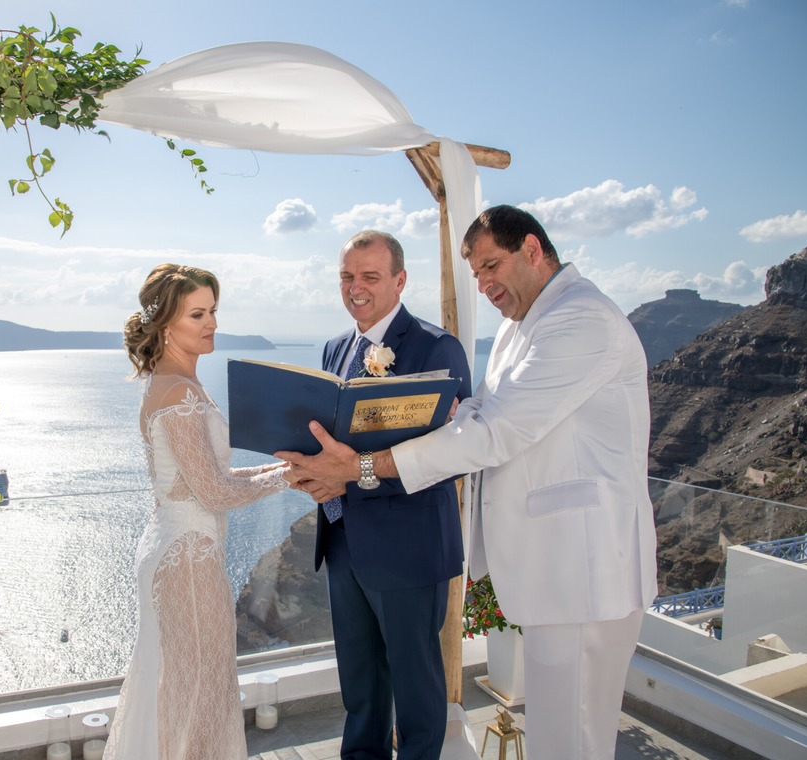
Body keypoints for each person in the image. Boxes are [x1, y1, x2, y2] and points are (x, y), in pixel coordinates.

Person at [279, 207, 659, 760]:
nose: (482, 285)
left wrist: (360, 469)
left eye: (490, 266)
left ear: (532, 249)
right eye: (475, 274)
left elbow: (493, 432)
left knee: (573, 734)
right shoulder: (520, 327)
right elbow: (473, 413)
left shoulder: (582, 321)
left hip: (585, 563)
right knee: (555, 731)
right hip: (551, 564)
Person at [104, 263, 292, 760]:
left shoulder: (175, 383)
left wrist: (283, 467)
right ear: (166, 323)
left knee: (183, 690)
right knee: (199, 695)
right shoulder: (179, 392)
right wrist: (292, 478)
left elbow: (210, 482)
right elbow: (214, 493)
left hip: (178, 548)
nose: (211, 323)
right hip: (188, 559)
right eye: (197, 314)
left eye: (213, 311)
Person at [300, 230, 472, 760]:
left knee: (417, 691)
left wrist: (353, 476)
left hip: (409, 546)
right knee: (360, 687)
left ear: (399, 280)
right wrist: (314, 473)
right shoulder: (334, 348)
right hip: (343, 540)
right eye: (347, 277)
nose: (356, 288)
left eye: (370, 277)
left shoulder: (437, 349)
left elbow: (450, 460)